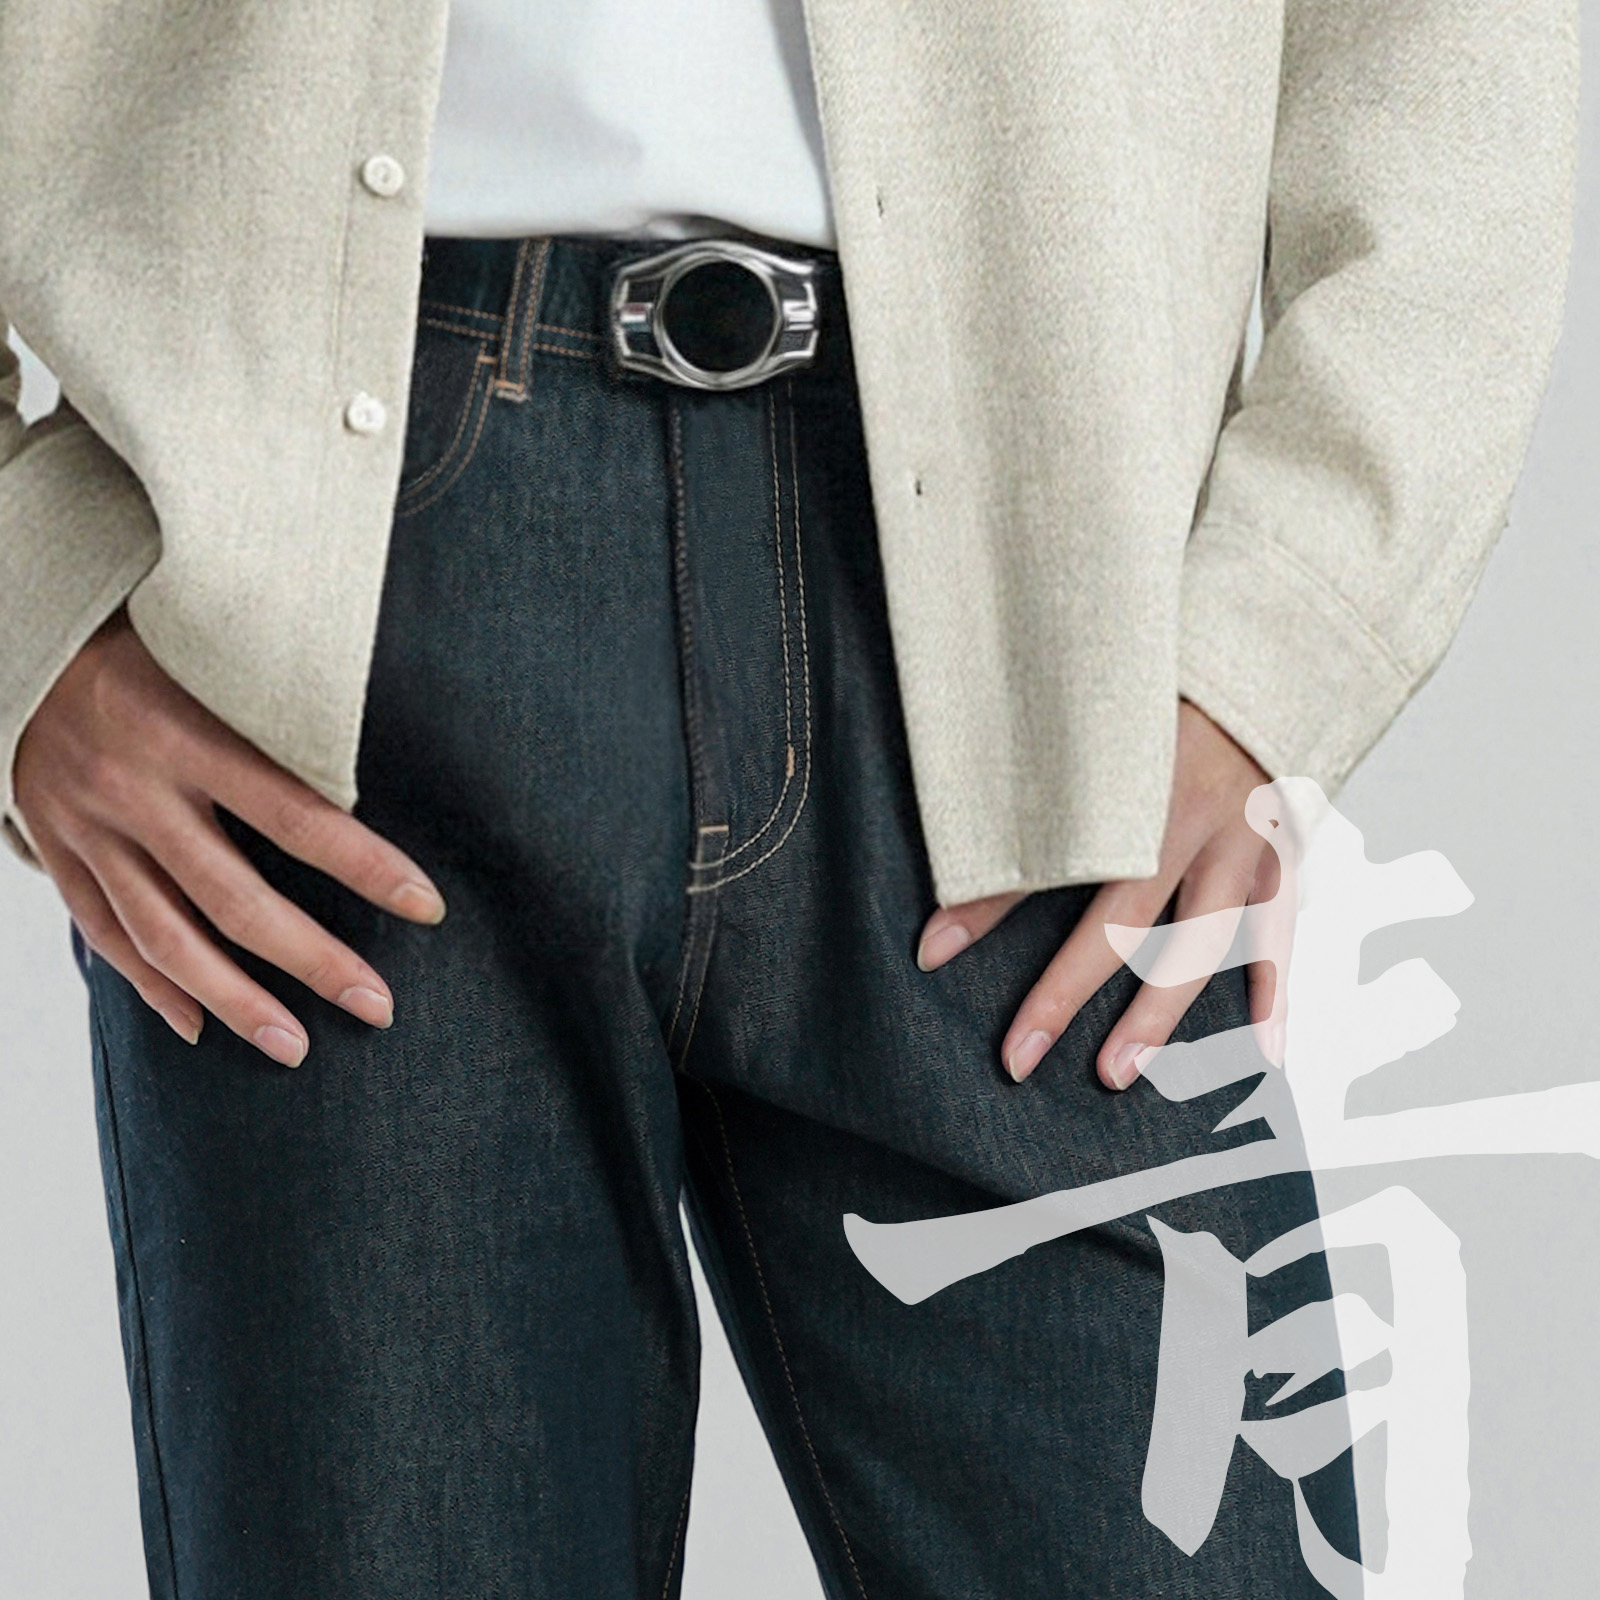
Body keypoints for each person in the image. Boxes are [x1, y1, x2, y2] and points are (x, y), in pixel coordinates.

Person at [0, 2, 1577, 1597]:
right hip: (330, 594)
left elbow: (1455, 42)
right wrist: (20, 599)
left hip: (1032, 596)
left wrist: (1288, 623)